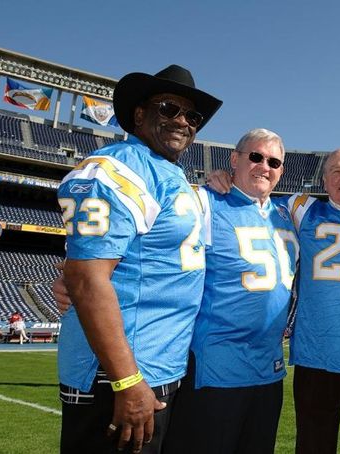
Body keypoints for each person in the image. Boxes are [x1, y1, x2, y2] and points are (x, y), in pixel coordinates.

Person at [55, 64, 221, 454]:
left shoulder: (171, 174)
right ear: (139, 114)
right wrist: (127, 382)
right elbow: (86, 278)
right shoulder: (115, 167)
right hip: (117, 375)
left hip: (158, 367)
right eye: (168, 109)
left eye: (191, 116)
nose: (182, 121)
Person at [206, 147, 340, 453]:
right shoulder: (301, 208)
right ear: (323, 180)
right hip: (316, 356)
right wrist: (227, 180)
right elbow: (256, 200)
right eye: (336, 171)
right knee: (313, 445)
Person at [163, 128, 298, 454]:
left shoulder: (287, 214)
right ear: (234, 159)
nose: (264, 166)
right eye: (256, 156)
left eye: (274, 162)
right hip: (216, 371)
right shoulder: (204, 202)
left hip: (268, 372)